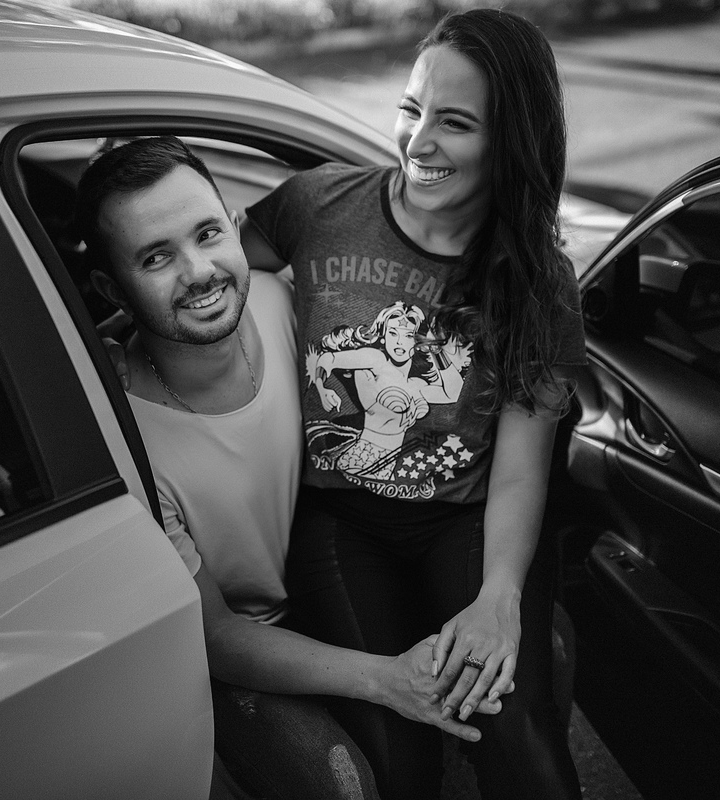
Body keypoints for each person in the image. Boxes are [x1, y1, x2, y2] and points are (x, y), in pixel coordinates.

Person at [74, 135, 502, 800]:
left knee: (526, 663)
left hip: (351, 567)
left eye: (208, 233)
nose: (199, 271)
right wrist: (386, 677)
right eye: (156, 257)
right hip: (254, 641)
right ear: (111, 286)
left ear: (234, 225)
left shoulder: (289, 301)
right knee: (342, 780)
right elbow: (216, 635)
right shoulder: (126, 442)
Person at [239, 9, 585, 799]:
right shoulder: (317, 206)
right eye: (410, 108)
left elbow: (523, 469)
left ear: (512, 144)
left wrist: (500, 598)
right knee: (396, 763)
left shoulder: (539, 283)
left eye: (455, 123)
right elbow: (208, 282)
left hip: (465, 524)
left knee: (512, 726)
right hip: (337, 520)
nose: (418, 140)